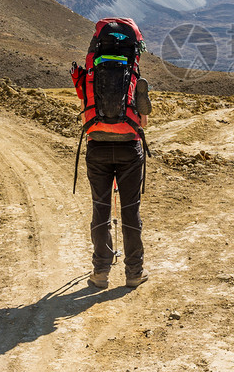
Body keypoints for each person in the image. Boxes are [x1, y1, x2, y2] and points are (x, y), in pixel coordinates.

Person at [71, 18, 152, 290]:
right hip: (129, 146)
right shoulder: (135, 77)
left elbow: (85, 103)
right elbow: (143, 120)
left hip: (97, 146)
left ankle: (101, 272)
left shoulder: (92, 75)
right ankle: (134, 273)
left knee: (100, 210)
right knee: (131, 211)